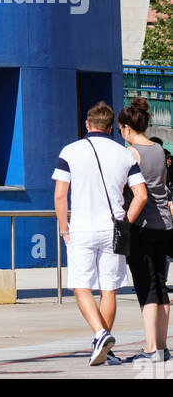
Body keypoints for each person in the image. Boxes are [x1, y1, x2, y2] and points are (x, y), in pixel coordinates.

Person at [53, 100, 147, 366]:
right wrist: (124, 223)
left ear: (87, 124)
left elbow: (60, 194)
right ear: (110, 128)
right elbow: (140, 195)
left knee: (80, 285)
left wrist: (64, 228)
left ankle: (100, 334)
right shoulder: (124, 154)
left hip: (82, 227)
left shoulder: (70, 151)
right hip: (113, 228)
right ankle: (104, 346)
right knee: (109, 289)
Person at [118, 100, 173, 362]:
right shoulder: (160, 151)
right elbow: (161, 185)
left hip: (142, 226)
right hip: (165, 224)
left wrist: (124, 222)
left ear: (127, 128)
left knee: (146, 287)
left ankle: (151, 348)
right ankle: (162, 346)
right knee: (161, 286)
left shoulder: (131, 153)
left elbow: (128, 189)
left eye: (120, 130)